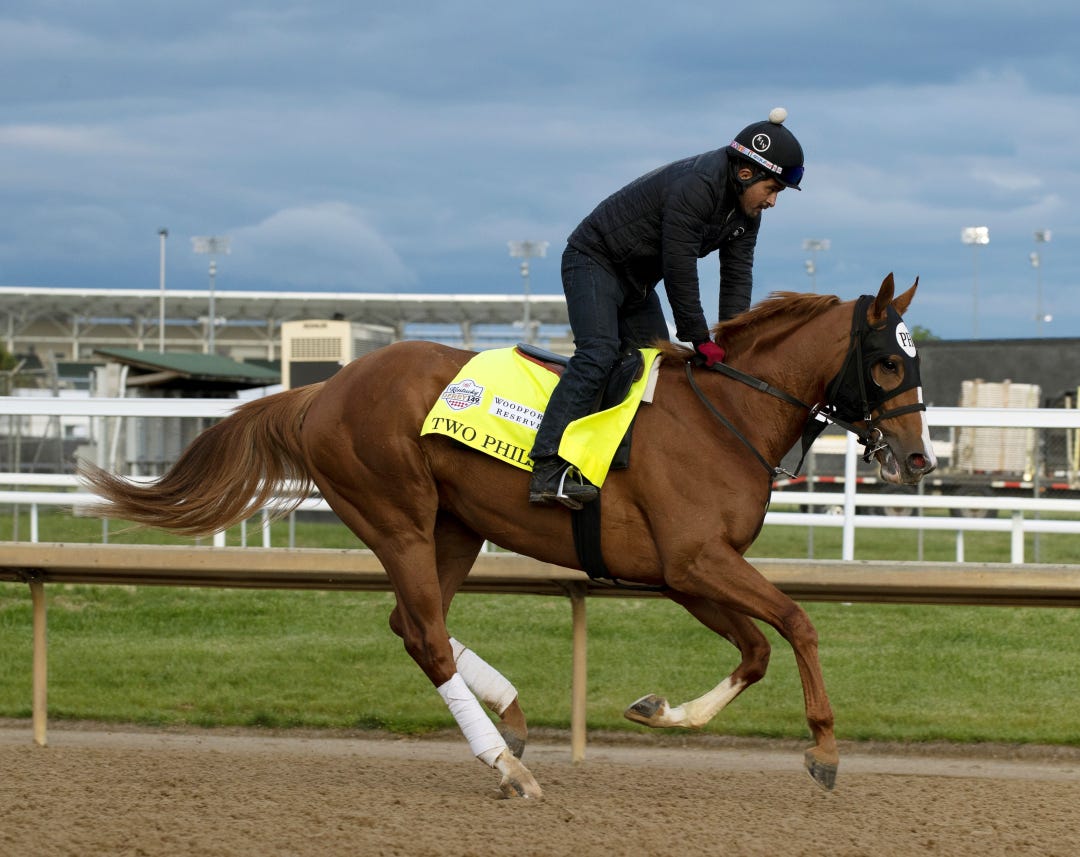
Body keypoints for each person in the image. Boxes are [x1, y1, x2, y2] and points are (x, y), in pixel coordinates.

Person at [528, 107, 805, 508]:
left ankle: (612, 462)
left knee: (653, 367)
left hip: (637, 282)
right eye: (773, 188)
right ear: (747, 173)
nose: (773, 201)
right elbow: (679, 268)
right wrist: (697, 336)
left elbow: (737, 276)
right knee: (599, 354)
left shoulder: (747, 212)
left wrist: (732, 339)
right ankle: (547, 466)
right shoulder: (697, 186)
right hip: (594, 260)